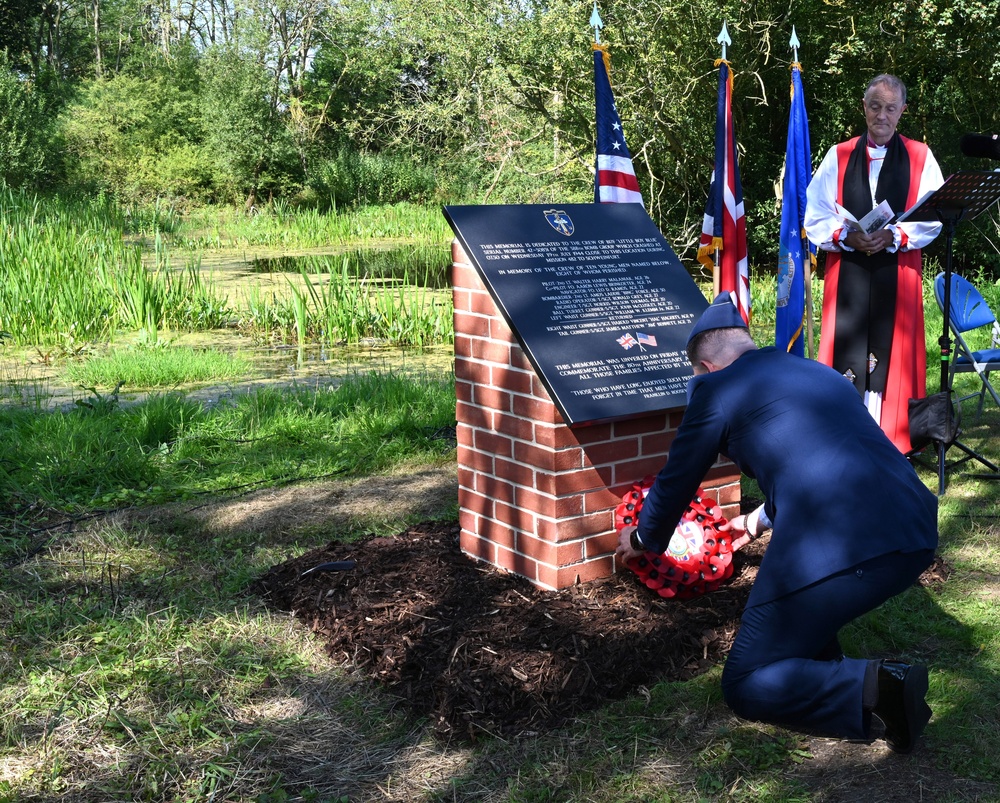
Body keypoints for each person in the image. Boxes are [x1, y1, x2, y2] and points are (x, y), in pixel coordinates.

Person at [615, 293, 939, 752]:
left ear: (706, 368)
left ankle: (879, 686)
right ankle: (853, 684)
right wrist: (755, 521)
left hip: (846, 542)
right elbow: (821, 460)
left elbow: (678, 477)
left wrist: (645, 537)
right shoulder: (815, 372)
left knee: (747, 681)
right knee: (800, 620)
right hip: (915, 529)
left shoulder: (716, 389)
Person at [804, 74, 944, 454]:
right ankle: (844, 434)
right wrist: (845, 236)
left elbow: (933, 215)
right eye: (875, 106)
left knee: (891, 351)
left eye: (891, 108)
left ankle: (892, 438)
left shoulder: (920, 156)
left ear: (902, 111)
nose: (882, 115)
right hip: (848, 270)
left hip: (896, 273)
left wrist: (894, 236)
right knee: (845, 349)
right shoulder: (839, 154)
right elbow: (814, 214)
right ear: (864, 108)